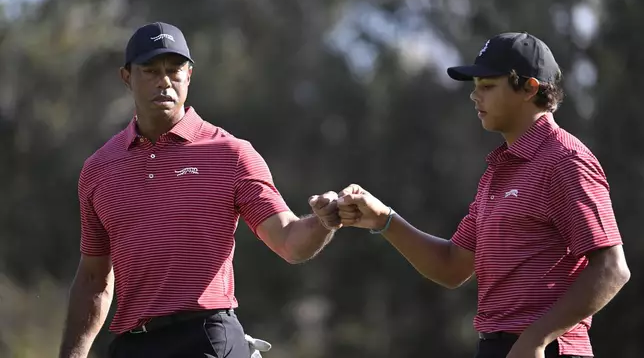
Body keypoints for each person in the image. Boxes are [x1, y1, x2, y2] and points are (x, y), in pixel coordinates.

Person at [312, 32, 630, 358]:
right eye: (475, 85)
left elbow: (611, 268)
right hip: (498, 347)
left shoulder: (565, 161)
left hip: (548, 349)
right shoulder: (497, 172)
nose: (475, 96)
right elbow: (452, 266)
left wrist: (536, 339)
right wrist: (384, 219)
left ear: (529, 88)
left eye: (488, 86)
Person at [58, 22, 341, 358]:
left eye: (174, 70)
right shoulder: (99, 169)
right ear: (126, 77)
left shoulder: (230, 154)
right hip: (132, 344)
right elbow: (93, 281)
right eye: (149, 70)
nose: (164, 80)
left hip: (206, 337)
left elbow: (290, 241)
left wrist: (324, 221)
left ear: (189, 75)